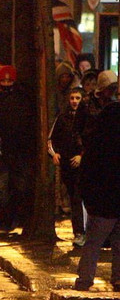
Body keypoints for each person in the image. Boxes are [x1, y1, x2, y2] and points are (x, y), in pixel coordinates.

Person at [73, 70, 120, 292]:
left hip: (103, 201)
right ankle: (118, 278)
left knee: (93, 242)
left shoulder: (98, 146)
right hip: (111, 198)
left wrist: (87, 196)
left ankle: (85, 280)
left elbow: (88, 171)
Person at [0, 64, 37, 233]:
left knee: (20, 186)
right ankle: (5, 221)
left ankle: (17, 220)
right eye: (4, 80)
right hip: (0, 149)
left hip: (20, 148)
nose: (7, 84)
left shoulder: (23, 94)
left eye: (10, 81)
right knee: (2, 188)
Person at [48, 86, 88, 246]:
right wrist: (54, 154)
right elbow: (51, 139)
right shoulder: (62, 118)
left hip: (83, 166)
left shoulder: (87, 118)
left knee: (80, 197)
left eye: (78, 98)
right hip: (67, 166)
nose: (74, 101)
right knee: (74, 198)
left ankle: (83, 232)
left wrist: (82, 156)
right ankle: (79, 231)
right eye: (72, 98)